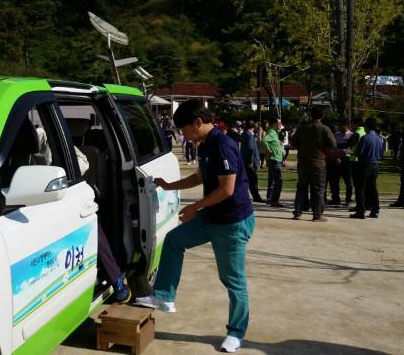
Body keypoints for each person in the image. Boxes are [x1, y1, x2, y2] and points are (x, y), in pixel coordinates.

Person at [135, 99, 255, 353]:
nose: (185, 136)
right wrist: (169, 185)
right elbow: (199, 177)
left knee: (233, 280)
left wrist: (194, 207)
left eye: (186, 130)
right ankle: (165, 296)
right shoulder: (205, 145)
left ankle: (236, 333)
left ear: (198, 122)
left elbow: (226, 189)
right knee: (175, 240)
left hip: (231, 222)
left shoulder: (223, 145)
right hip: (211, 217)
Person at [75, 146, 130, 302]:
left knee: (96, 232)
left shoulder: (71, 150)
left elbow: (81, 166)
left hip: (74, 202)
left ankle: (116, 281)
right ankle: (116, 280)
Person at [290, 107, 337, 221]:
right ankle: (317, 214)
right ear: (322, 116)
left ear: (311, 115)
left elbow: (293, 141)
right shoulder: (324, 129)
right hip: (318, 162)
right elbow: (333, 144)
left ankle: (298, 211)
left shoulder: (302, 128)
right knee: (318, 189)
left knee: (301, 187)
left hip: (303, 162)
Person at [350, 118, 384, 219]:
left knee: (360, 190)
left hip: (364, 166)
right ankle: (375, 210)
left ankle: (361, 211)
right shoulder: (379, 138)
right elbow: (380, 154)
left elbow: (359, 152)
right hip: (374, 165)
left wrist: (351, 152)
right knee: (373, 189)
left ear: (367, 126)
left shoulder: (365, 138)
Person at [327, 118, 353, 206]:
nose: (339, 127)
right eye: (339, 125)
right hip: (336, 159)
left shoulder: (352, 135)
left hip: (347, 160)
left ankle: (348, 199)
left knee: (348, 181)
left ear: (347, 125)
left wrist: (344, 152)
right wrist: (336, 157)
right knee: (334, 180)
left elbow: (352, 149)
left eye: (341, 125)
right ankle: (335, 199)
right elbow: (333, 148)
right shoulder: (336, 135)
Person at [240, 120, 265, 203]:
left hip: (245, 160)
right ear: (253, 127)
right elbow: (250, 149)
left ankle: (252, 196)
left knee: (248, 180)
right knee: (253, 180)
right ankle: (256, 196)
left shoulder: (245, 134)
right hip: (250, 162)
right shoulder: (249, 135)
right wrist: (250, 161)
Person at [262, 117, 284, 207]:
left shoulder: (275, 132)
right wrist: (268, 149)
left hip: (275, 159)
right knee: (278, 180)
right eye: (279, 123)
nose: (281, 124)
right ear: (274, 124)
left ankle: (269, 198)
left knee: (272, 180)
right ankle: (274, 200)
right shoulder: (272, 132)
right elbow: (264, 140)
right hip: (274, 159)